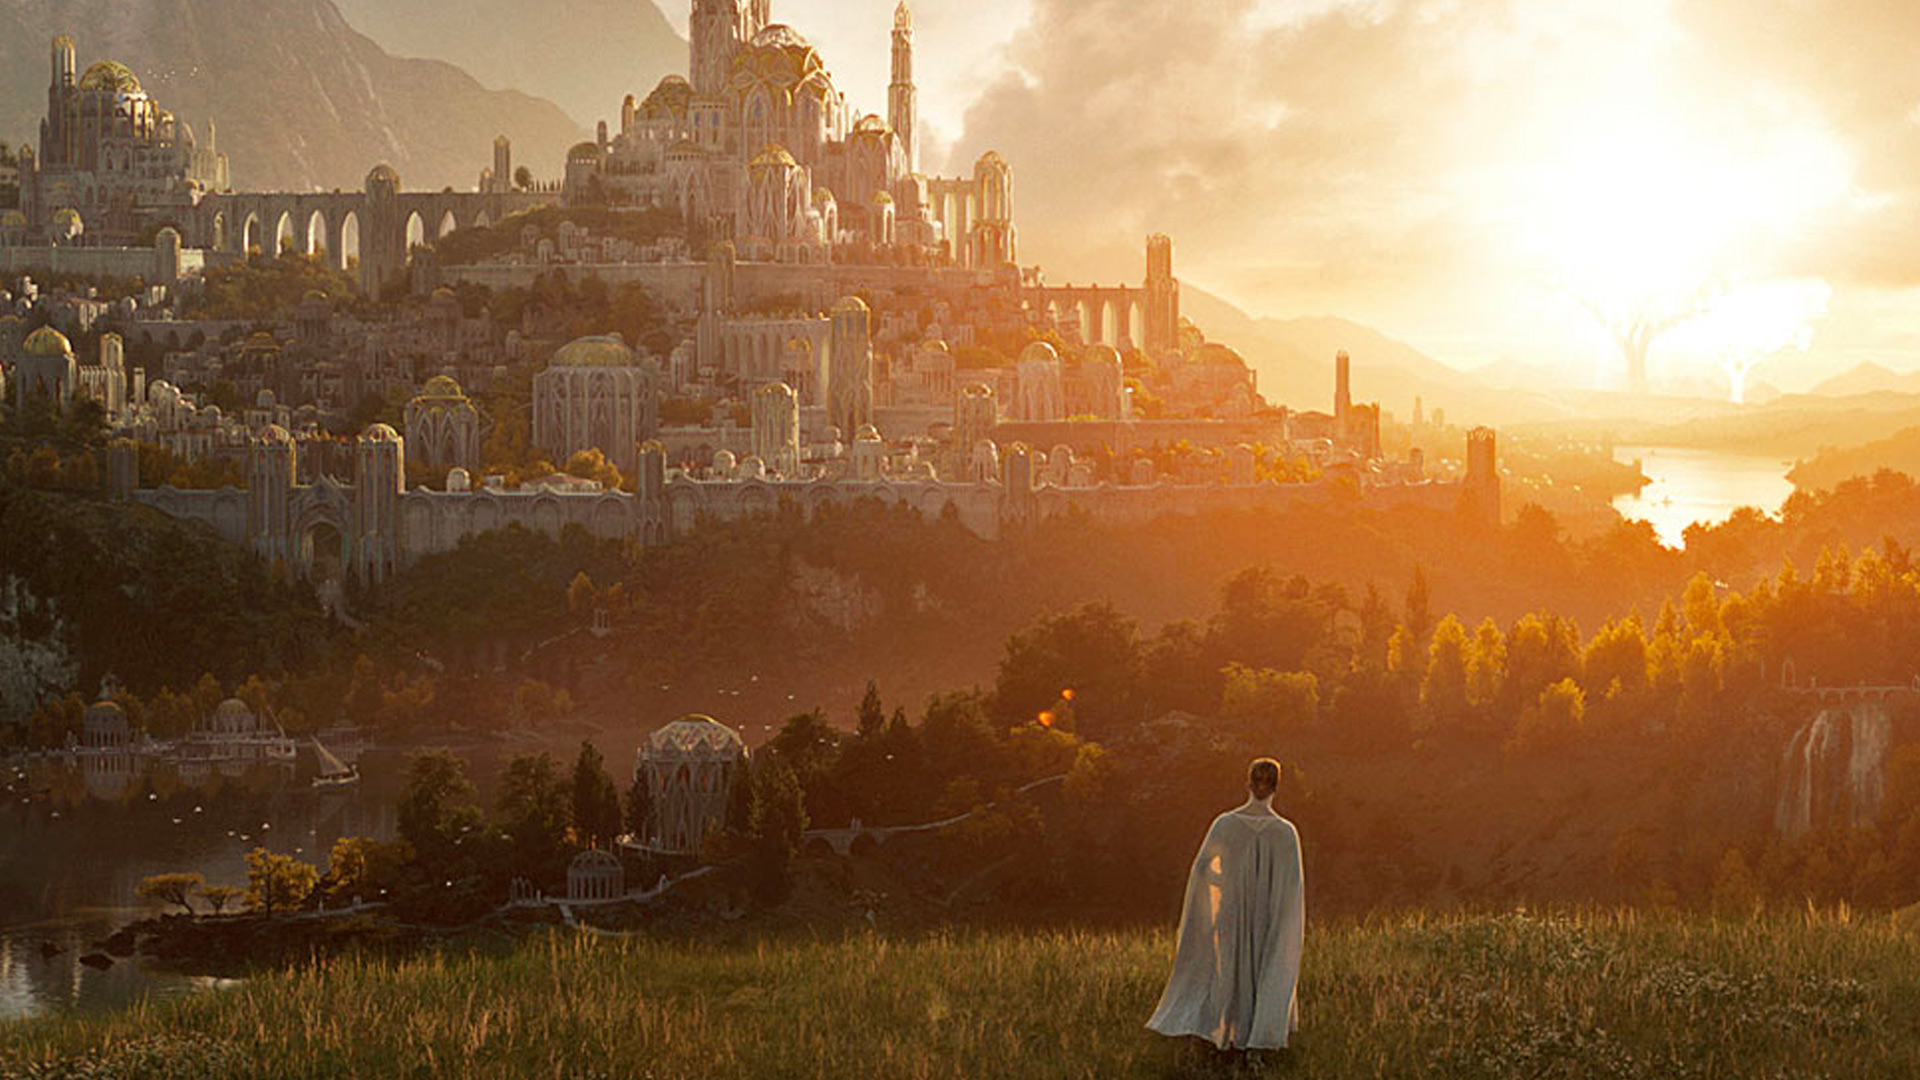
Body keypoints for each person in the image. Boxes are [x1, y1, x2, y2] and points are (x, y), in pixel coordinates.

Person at [1146, 757, 1305, 1052]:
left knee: (1229, 971)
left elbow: (1203, 869)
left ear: (1248, 783)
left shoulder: (1225, 824)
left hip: (1230, 914)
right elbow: (1292, 887)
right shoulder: (1285, 833)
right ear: (1276, 788)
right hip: (1268, 917)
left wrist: (1226, 886)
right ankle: (1256, 1042)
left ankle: (1227, 1037)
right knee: (1262, 971)